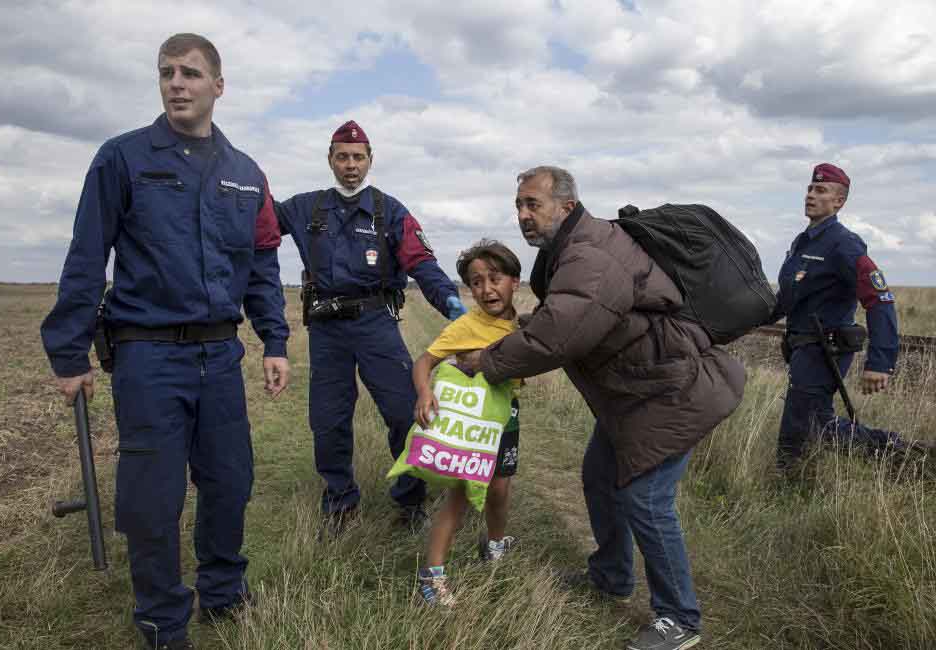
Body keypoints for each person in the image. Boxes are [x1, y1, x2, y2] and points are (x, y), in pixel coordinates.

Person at [40, 33, 289, 650]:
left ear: (218, 87)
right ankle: (161, 619)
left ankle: (225, 594)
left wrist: (275, 340)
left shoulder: (245, 175)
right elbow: (86, 255)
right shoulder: (122, 158)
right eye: (167, 73)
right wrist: (69, 352)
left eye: (191, 73)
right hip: (148, 356)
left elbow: (260, 264)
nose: (177, 83)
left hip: (220, 355)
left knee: (231, 481)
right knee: (153, 498)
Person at [460, 166, 745, 650]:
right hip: (637, 393)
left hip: (669, 391)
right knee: (599, 476)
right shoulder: (574, 249)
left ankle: (680, 618)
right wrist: (520, 330)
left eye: (534, 204)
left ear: (567, 206)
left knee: (646, 499)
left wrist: (489, 362)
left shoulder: (589, 254)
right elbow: (573, 315)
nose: (524, 216)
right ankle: (612, 576)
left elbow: (561, 334)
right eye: (520, 207)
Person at [275, 121, 465, 534]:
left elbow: (421, 262)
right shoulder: (304, 208)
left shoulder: (390, 211)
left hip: (376, 324)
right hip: (326, 330)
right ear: (329, 159)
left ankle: (410, 501)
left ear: (370, 161)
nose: (350, 165)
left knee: (403, 412)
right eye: (342, 156)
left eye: (358, 157)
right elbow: (256, 223)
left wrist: (452, 304)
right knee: (328, 420)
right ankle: (340, 502)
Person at [771, 163, 928, 471]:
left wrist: (880, 362)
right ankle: (793, 478)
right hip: (802, 348)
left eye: (820, 190)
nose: (810, 195)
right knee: (810, 422)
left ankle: (908, 456)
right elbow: (785, 300)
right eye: (809, 189)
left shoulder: (844, 244)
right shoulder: (803, 243)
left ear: (839, 201)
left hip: (825, 348)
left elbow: (880, 298)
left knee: (809, 425)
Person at [411, 239, 523, 606]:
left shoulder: (524, 328)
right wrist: (425, 393)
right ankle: (432, 574)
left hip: (505, 422)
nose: (487, 289)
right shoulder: (465, 327)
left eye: (495, 278)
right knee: (460, 493)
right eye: (476, 282)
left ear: (515, 282)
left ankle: (494, 545)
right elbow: (424, 361)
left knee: (501, 489)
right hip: (470, 425)